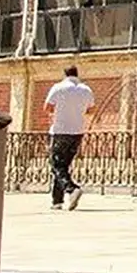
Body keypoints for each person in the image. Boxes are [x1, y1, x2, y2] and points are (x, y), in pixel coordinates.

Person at [44, 66, 94, 210]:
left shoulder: (58, 88)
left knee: (56, 165)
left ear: (65, 75)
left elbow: (47, 107)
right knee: (63, 166)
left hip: (60, 131)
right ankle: (57, 201)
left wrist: (61, 110)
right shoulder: (86, 90)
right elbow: (91, 110)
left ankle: (71, 189)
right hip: (77, 132)